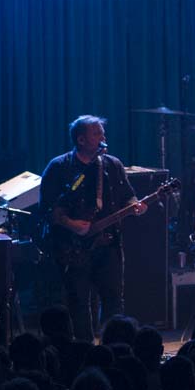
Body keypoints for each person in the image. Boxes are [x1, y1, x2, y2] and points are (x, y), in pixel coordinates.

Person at [40, 115, 147, 342]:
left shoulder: (112, 165)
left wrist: (134, 206)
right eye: (97, 134)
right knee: (79, 302)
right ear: (81, 139)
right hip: (72, 247)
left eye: (102, 133)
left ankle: (114, 348)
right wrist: (72, 224)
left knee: (113, 300)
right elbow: (47, 209)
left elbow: (128, 196)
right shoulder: (59, 167)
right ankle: (84, 350)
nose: (103, 138)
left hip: (108, 244)